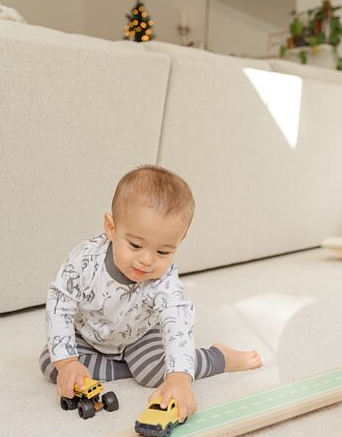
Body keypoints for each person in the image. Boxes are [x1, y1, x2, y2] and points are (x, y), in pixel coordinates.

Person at [39, 164, 262, 419]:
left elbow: (177, 320)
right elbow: (59, 304)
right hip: (89, 334)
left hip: (139, 336)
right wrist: (68, 363)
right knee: (51, 364)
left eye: (163, 252)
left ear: (179, 243)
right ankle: (126, 368)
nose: (146, 260)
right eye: (135, 245)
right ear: (110, 227)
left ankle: (217, 358)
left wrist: (178, 378)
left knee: (154, 374)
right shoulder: (85, 260)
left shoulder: (164, 279)